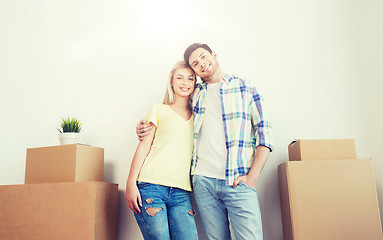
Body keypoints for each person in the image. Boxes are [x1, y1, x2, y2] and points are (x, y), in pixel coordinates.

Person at [137, 43, 274, 240]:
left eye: (203, 57)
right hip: (203, 182)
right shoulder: (195, 92)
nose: (201, 63)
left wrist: (252, 177)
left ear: (214, 55)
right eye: (195, 63)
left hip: (238, 180)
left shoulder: (246, 86)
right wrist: (144, 127)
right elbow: (172, 116)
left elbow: (265, 134)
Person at [125, 61, 198, 240]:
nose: (185, 82)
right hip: (150, 187)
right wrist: (130, 182)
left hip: (181, 192)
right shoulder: (158, 109)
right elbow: (144, 146)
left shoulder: (199, 116)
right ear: (171, 82)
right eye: (179, 78)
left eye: (190, 78)